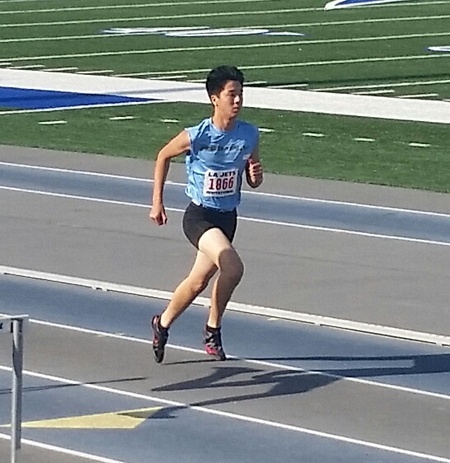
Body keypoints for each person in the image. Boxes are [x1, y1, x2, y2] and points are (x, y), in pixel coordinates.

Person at [149, 65, 263, 363]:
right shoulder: (197, 135)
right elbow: (163, 155)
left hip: (228, 218)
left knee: (198, 282)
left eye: (240, 94)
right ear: (215, 99)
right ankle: (213, 329)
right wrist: (157, 202)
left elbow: (253, 178)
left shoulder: (249, 134)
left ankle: (162, 324)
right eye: (231, 95)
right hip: (199, 217)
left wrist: (255, 176)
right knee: (233, 268)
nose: (237, 100)